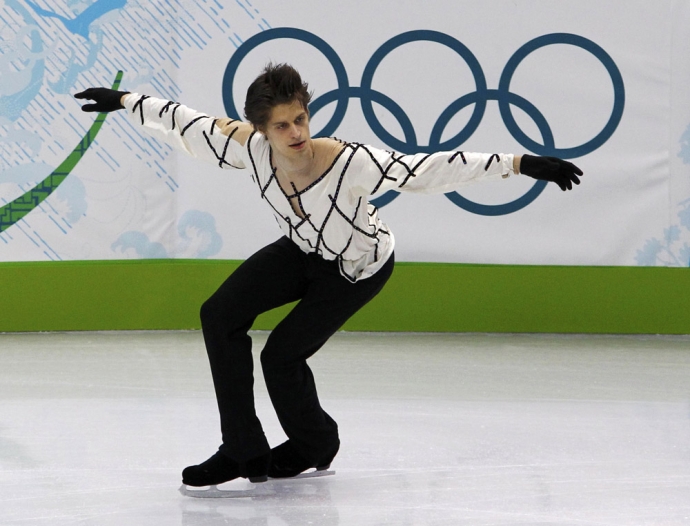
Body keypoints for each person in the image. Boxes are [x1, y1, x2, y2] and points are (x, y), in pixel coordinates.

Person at [74, 63, 582, 488]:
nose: (296, 134)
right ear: (262, 129)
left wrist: (518, 163)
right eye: (281, 126)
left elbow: (424, 169)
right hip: (302, 250)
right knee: (219, 314)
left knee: (280, 355)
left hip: (358, 268)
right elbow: (192, 125)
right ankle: (242, 449)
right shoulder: (250, 148)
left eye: (300, 119)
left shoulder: (348, 162)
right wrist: (126, 100)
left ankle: (315, 443)